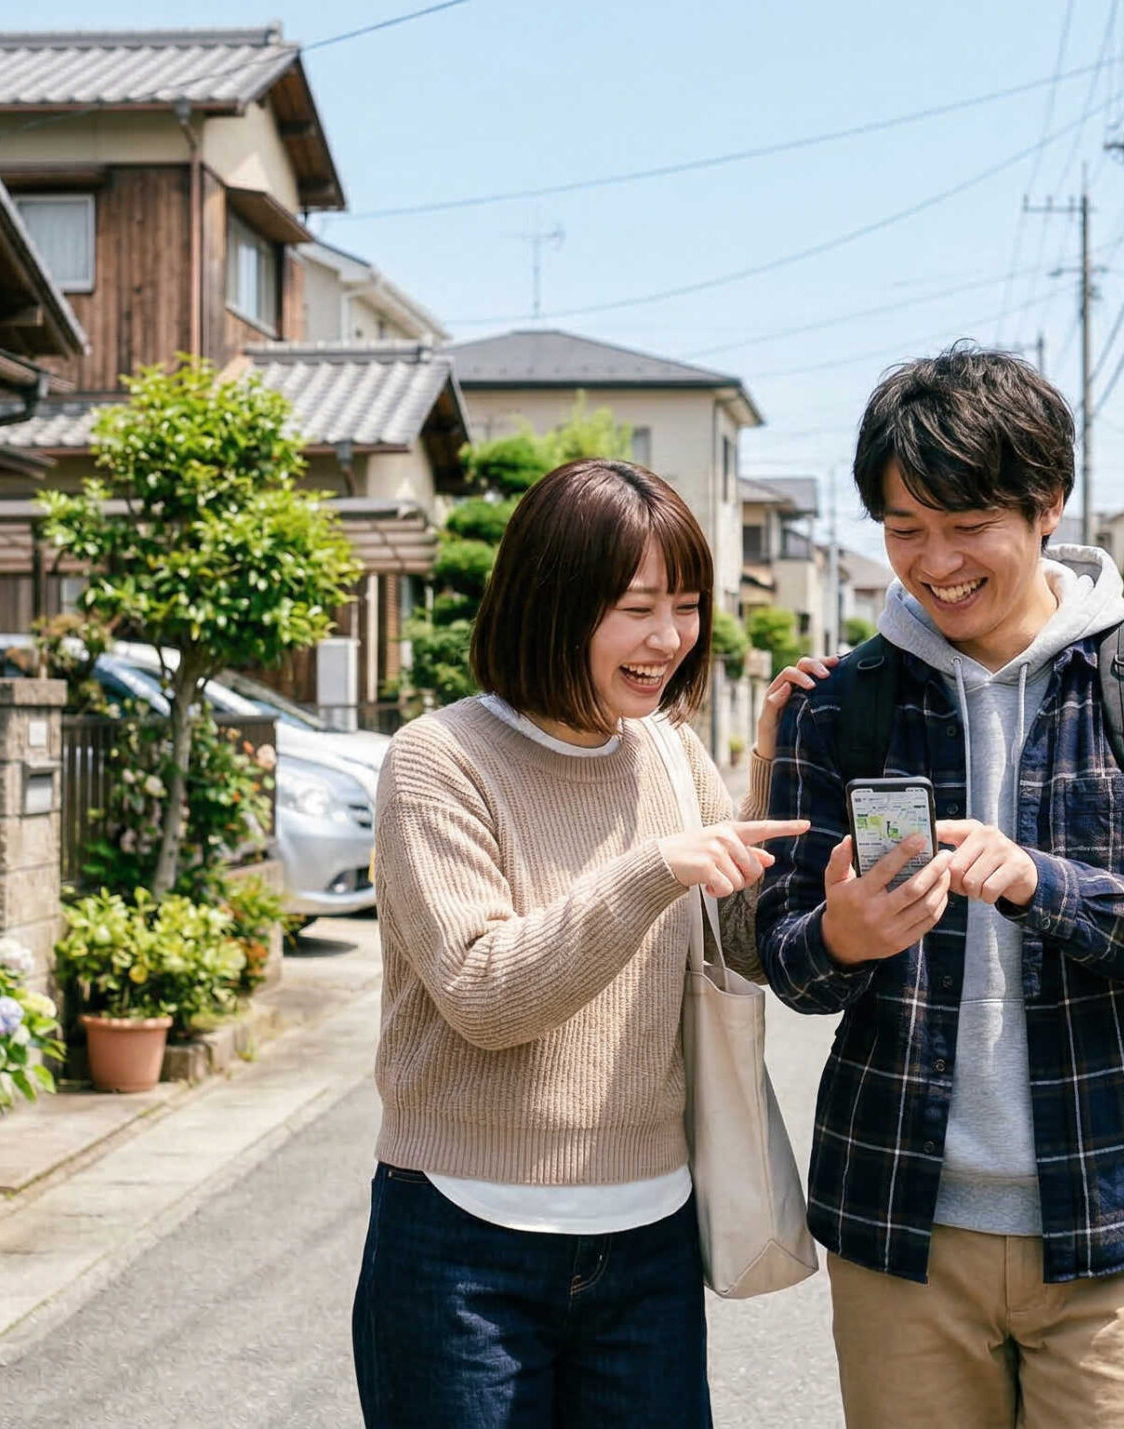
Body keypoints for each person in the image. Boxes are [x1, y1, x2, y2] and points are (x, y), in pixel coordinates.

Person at [756, 345, 1124, 1428]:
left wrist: (1042, 881)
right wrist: (839, 935)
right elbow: (784, 959)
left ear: (1045, 507)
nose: (933, 563)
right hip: (900, 1227)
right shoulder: (839, 704)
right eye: (902, 529)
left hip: (1118, 1220)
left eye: (965, 523)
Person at [353, 457, 820, 1428]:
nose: (669, 638)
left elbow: (729, 949)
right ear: (551, 600)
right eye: (636, 606)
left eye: (684, 604)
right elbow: (485, 994)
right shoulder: (439, 760)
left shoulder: (666, 748)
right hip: (461, 1245)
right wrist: (654, 867)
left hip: (647, 1241)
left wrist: (776, 765)